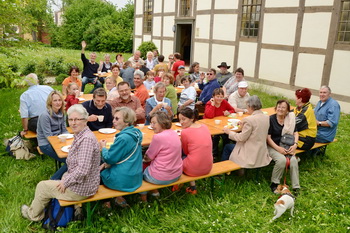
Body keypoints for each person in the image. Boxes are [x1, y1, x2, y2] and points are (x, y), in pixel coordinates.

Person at [21, 104, 100, 222]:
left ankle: (34, 215)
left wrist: (66, 182)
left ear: (85, 121)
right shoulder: (82, 134)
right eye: (71, 119)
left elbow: (83, 170)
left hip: (83, 189)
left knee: (42, 186)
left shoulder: (86, 140)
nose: (73, 123)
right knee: (63, 175)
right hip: (88, 183)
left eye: (77, 119)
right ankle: (76, 207)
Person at [100, 107, 143, 207]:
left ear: (127, 122)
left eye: (117, 119)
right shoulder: (136, 133)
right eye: (114, 118)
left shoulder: (123, 138)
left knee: (98, 171)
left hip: (123, 181)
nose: (113, 121)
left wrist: (103, 148)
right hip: (136, 178)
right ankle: (118, 198)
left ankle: (107, 202)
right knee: (103, 166)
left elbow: (109, 158)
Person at [140, 111, 183, 202]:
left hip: (160, 178)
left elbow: (148, 157)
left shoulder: (158, 137)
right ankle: (154, 191)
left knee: (139, 167)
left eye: (154, 123)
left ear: (162, 122)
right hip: (176, 174)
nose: (152, 125)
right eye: (151, 123)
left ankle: (143, 198)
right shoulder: (174, 133)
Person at [222, 96, 271, 170]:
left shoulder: (249, 120)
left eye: (247, 106)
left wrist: (229, 132)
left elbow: (241, 138)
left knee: (227, 147)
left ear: (250, 107)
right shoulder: (266, 117)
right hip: (261, 152)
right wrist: (243, 127)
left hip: (249, 153)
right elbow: (255, 131)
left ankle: (224, 170)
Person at [267, 100, 300, 194]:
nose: (280, 109)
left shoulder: (289, 119)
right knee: (282, 160)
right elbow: (267, 138)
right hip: (272, 146)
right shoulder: (271, 119)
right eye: (279, 106)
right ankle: (274, 183)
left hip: (287, 146)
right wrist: (278, 149)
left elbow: (296, 133)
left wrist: (295, 145)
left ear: (287, 111)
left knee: (293, 160)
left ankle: (296, 187)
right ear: (276, 107)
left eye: (283, 107)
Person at [178, 108, 213, 194]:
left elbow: (185, 151)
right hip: (208, 166)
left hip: (193, 169)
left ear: (192, 118)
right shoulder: (204, 126)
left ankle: (183, 184)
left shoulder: (185, 132)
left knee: (178, 157)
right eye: (179, 120)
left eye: (184, 119)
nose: (181, 122)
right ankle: (191, 187)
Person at [37, 90, 69, 180]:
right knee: (70, 161)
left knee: (75, 158)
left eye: (59, 100)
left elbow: (64, 130)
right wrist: (60, 146)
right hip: (46, 144)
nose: (58, 102)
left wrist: (70, 139)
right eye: (55, 100)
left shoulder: (62, 113)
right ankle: (53, 180)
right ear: (50, 102)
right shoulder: (45, 116)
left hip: (59, 141)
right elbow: (49, 137)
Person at [205, 88, 235, 159]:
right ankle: (214, 154)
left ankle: (225, 151)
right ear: (213, 96)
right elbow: (209, 116)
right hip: (210, 125)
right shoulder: (209, 104)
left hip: (221, 125)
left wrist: (229, 112)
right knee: (215, 137)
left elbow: (232, 109)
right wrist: (212, 105)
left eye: (221, 97)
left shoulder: (224, 102)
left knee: (226, 136)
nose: (219, 99)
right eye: (217, 96)